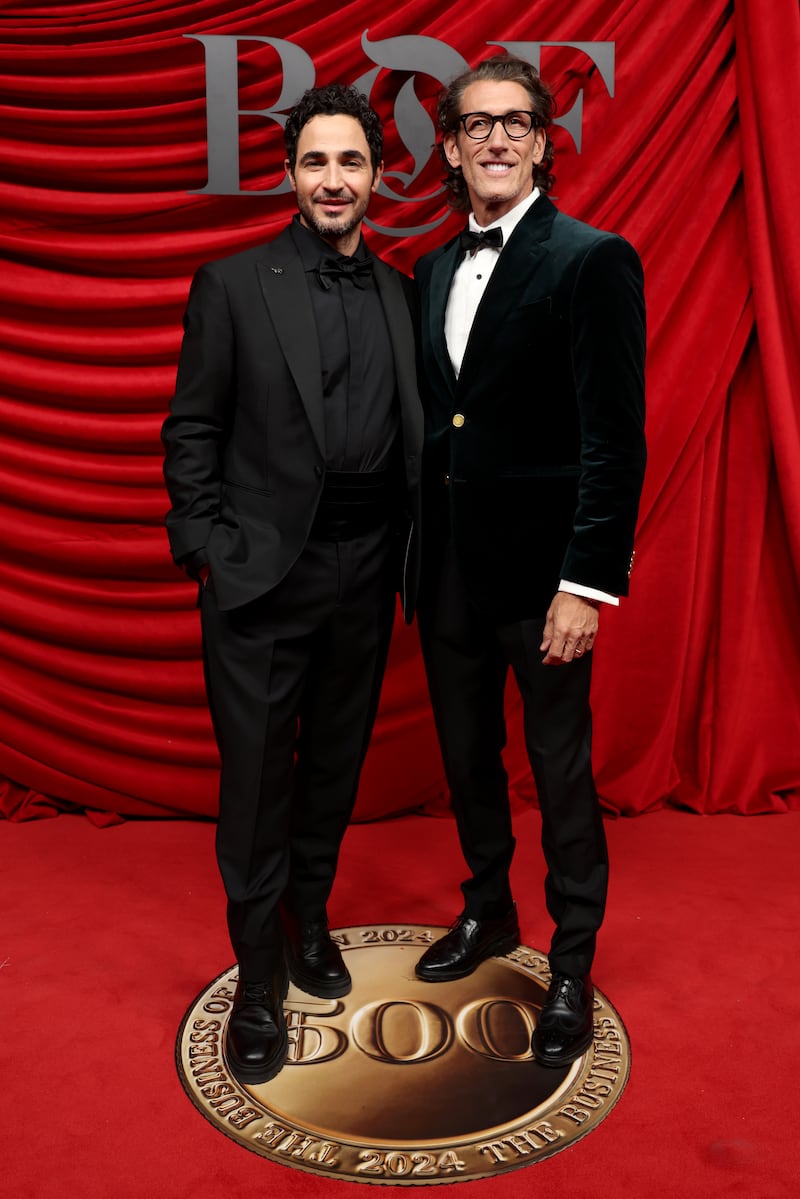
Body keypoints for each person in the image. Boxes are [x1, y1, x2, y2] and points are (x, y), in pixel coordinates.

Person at [162, 84, 422, 1086]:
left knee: (332, 772)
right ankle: (258, 981)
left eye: (350, 162)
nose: (333, 180)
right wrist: (210, 550)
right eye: (315, 162)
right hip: (263, 578)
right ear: (287, 174)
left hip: (366, 573)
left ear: (375, 176)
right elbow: (191, 428)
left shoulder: (400, 291)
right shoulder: (233, 283)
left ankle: (308, 921)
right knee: (258, 789)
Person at [413, 55, 646, 1068]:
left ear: (543, 141)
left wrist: (583, 583)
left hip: (546, 579)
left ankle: (570, 962)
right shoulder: (428, 267)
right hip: (449, 572)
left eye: (514, 123)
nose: (495, 139)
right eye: (476, 125)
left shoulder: (592, 259)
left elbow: (615, 436)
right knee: (467, 762)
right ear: (452, 147)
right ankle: (487, 910)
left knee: (556, 773)